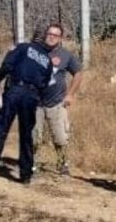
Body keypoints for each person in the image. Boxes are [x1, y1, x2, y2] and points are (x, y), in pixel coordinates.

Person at [0, 31, 53, 186]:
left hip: (14, 90)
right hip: (32, 96)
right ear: (44, 42)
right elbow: (45, 84)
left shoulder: (23, 48)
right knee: (26, 135)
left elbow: (7, 65)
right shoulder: (48, 61)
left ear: (33, 39)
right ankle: (25, 174)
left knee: (0, 129)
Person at [33, 23, 84, 176]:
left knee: (60, 138)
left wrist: (70, 94)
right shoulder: (35, 52)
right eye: (49, 34)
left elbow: (78, 73)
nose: (51, 37)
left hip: (57, 103)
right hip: (35, 103)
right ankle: (32, 164)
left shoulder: (65, 55)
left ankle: (63, 164)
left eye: (55, 35)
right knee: (34, 136)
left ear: (60, 38)